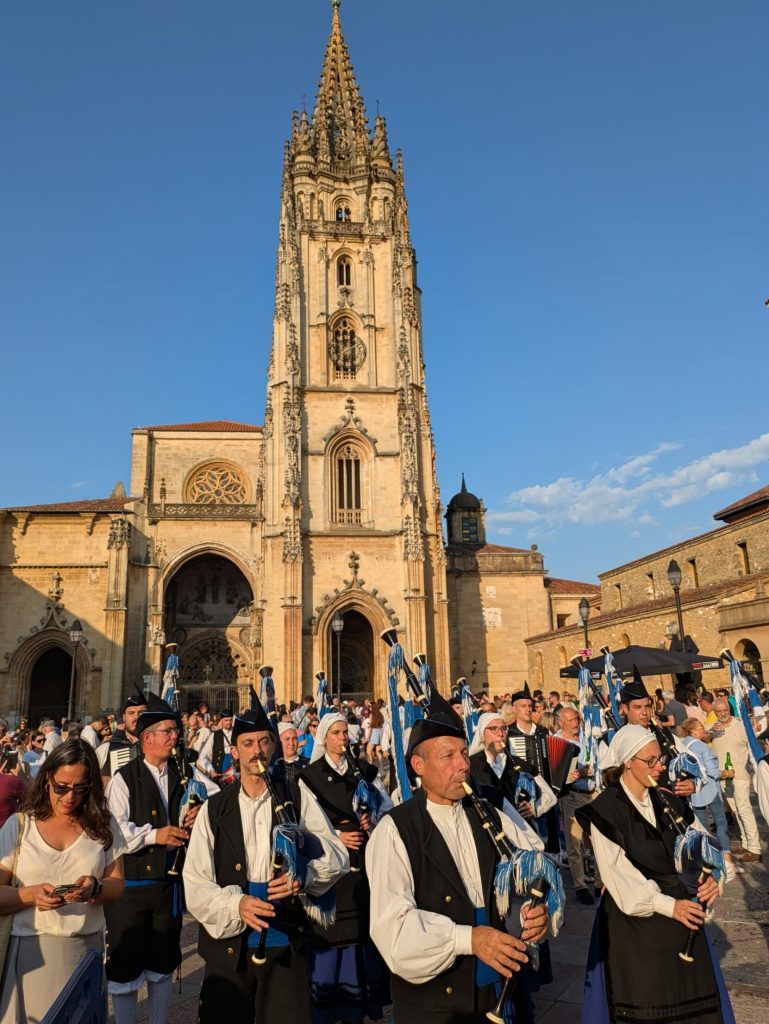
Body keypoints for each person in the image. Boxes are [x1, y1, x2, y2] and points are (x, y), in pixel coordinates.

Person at [366, 708, 551, 1024]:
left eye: (465, 753)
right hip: (437, 1007)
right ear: (418, 765)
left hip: (499, 991)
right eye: (448, 756)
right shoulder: (395, 829)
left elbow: (528, 870)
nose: (463, 765)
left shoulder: (489, 813)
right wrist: (468, 939)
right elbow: (393, 931)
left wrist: (531, 912)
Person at [183, 706, 349, 1023]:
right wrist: (236, 905)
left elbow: (336, 855)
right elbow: (196, 881)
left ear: (272, 746)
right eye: (247, 743)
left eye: (263, 741)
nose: (256, 750)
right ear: (234, 751)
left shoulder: (296, 796)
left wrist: (305, 876)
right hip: (231, 951)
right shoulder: (214, 808)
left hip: (286, 945)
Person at [577, 725, 734, 1024]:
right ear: (628, 761)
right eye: (650, 761)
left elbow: (701, 842)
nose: (659, 766)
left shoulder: (667, 800)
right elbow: (619, 878)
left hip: (682, 920)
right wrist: (669, 906)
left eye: (659, 759)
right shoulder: (605, 810)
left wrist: (714, 874)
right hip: (636, 928)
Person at [104, 695, 217, 1024]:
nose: (175, 737)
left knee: (163, 962)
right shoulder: (125, 778)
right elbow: (117, 830)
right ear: (147, 738)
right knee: (125, 967)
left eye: (175, 731)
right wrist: (157, 835)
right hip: (131, 890)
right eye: (168, 731)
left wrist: (201, 810)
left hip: (168, 887)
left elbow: (219, 798)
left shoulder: (185, 773)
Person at [0, 739, 125, 1022]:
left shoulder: (103, 824)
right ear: (47, 779)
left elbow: (117, 884)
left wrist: (95, 888)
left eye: (80, 789)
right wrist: (30, 895)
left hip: (85, 949)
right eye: (62, 787)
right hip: (32, 951)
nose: (70, 796)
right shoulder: (20, 825)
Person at [301, 713, 392, 1024]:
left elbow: (386, 808)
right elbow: (302, 824)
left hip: (361, 867)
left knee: (359, 934)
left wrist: (373, 820)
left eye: (345, 733)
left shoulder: (364, 771)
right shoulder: (309, 776)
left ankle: (356, 1008)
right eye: (336, 733)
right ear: (324, 738)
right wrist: (337, 836)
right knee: (331, 934)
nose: (342, 738)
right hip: (330, 871)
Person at [677, 718, 739, 875]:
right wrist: (726, 773)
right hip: (710, 789)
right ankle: (727, 859)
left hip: (693, 791)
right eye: (701, 728)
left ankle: (704, 861)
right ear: (693, 731)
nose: (704, 730)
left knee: (701, 826)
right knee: (721, 822)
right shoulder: (703, 747)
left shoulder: (682, 745)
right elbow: (712, 772)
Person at [554, 707, 601, 906]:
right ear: (561, 723)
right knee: (575, 844)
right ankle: (580, 885)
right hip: (573, 795)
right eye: (570, 720)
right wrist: (579, 773)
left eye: (576, 719)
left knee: (598, 840)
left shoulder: (587, 736)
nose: (575, 723)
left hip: (593, 792)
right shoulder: (557, 742)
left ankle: (600, 883)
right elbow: (557, 775)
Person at [708, 697, 762, 863]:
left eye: (725, 710)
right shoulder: (712, 727)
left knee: (744, 808)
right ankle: (746, 842)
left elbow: (754, 738)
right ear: (714, 712)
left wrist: (756, 728)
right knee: (735, 809)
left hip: (739, 773)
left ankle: (755, 848)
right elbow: (703, 740)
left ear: (729, 710)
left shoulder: (739, 725)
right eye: (719, 711)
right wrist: (711, 732)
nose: (723, 714)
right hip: (723, 775)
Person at [97, 689, 148, 779]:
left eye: (142, 713)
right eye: (131, 713)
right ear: (124, 717)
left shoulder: (159, 746)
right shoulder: (105, 749)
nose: (136, 717)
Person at [199, 710, 235, 784]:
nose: (229, 722)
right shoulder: (215, 735)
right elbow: (203, 756)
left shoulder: (237, 735)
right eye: (226, 720)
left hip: (235, 778)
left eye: (231, 720)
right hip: (219, 779)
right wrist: (210, 769)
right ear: (221, 721)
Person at [275, 722, 309, 787]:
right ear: (279, 742)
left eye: (295, 739)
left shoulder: (307, 764)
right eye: (287, 739)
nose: (291, 743)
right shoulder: (274, 767)